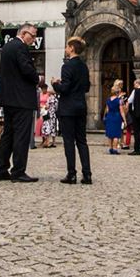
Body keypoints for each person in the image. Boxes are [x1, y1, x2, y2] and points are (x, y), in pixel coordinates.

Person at [0, 25, 41, 182]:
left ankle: (1, 169)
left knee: (8, 134)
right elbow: (26, 69)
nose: (34, 39)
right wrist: (37, 78)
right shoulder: (20, 47)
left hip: (8, 98)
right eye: (32, 36)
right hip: (21, 99)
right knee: (21, 135)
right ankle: (18, 171)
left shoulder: (8, 46)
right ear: (23, 33)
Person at [53, 36, 93, 184]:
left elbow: (64, 88)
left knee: (69, 141)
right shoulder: (84, 66)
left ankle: (71, 174)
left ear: (71, 48)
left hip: (68, 108)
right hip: (80, 106)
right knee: (82, 141)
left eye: (67, 46)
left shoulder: (67, 66)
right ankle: (87, 174)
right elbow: (87, 87)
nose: (65, 49)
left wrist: (55, 84)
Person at [103, 79, 125, 156]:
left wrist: (105, 116)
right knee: (116, 134)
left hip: (110, 117)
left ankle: (111, 148)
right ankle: (115, 149)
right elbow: (121, 111)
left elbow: (107, 110)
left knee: (110, 134)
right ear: (118, 92)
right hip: (116, 117)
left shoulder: (108, 100)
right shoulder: (119, 100)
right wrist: (124, 120)